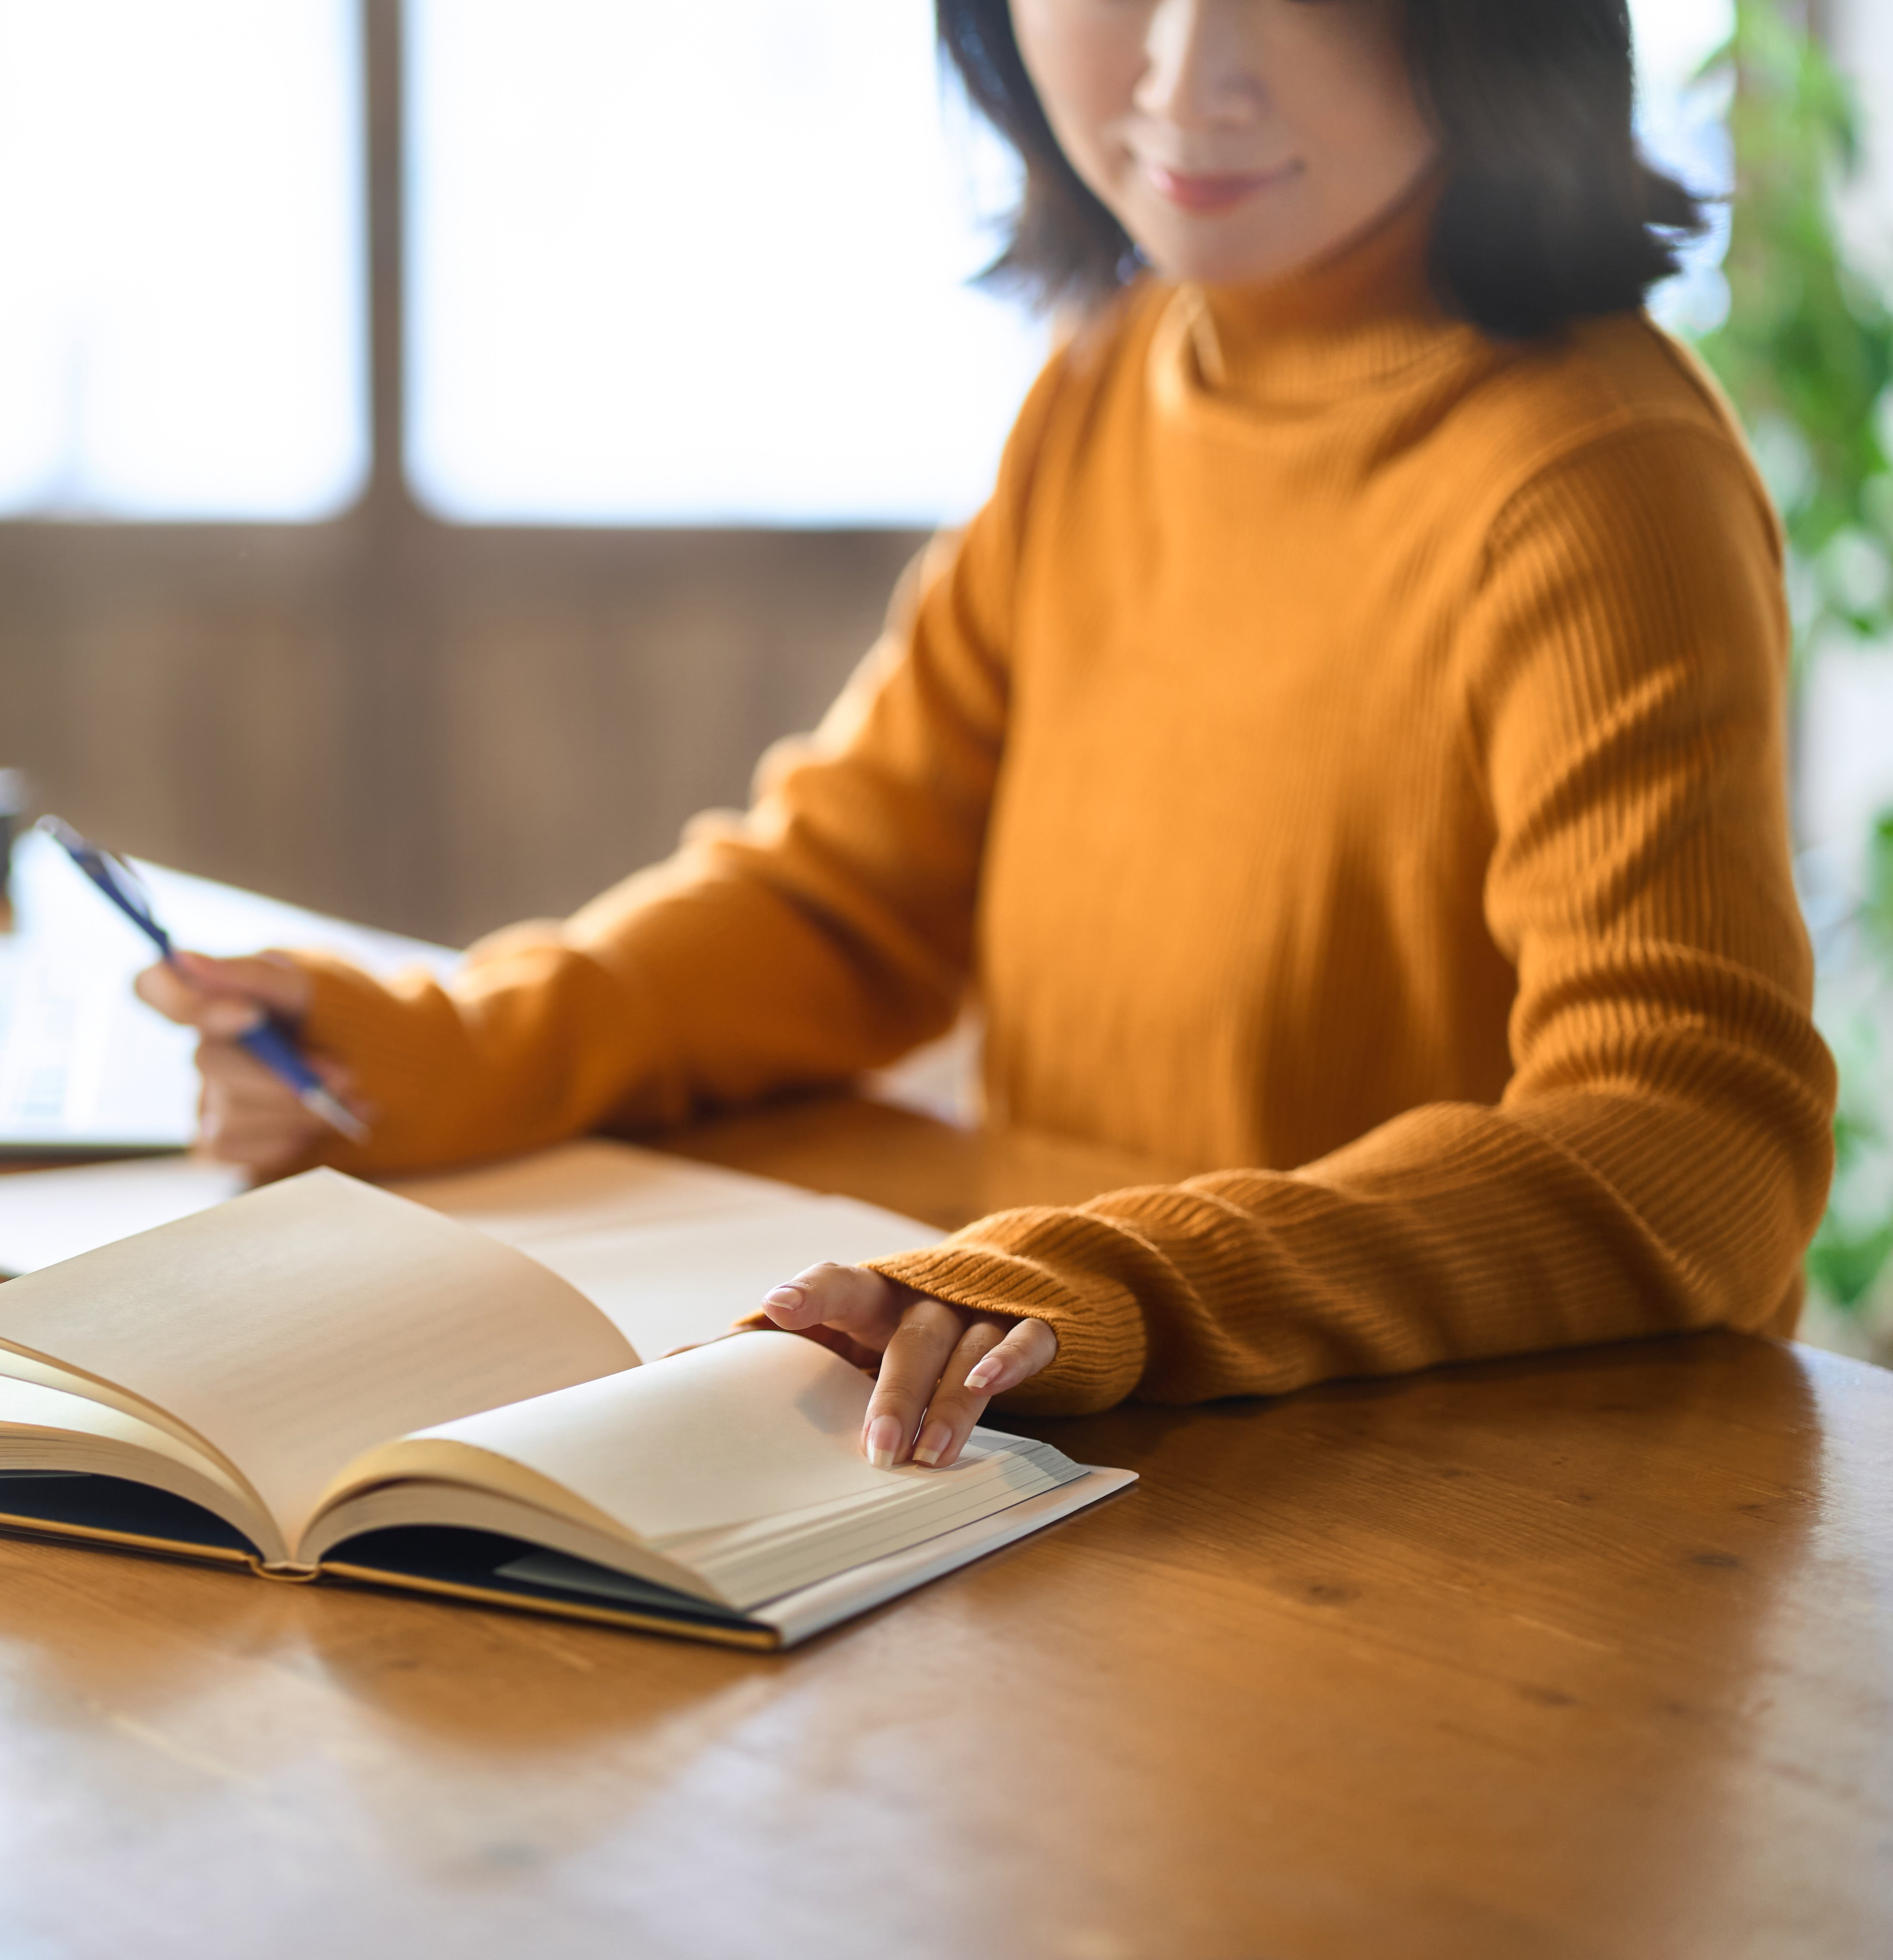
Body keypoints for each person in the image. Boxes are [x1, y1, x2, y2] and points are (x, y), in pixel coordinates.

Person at [138, 0, 1835, 1475]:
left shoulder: (1596, 476)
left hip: (1473, 1511)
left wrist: (1123, 1282)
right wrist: (439, 1049)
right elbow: (838, 901)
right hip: (1101, 1461)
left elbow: (1685, 1143)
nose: (1190, 77)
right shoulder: (1106, 386)